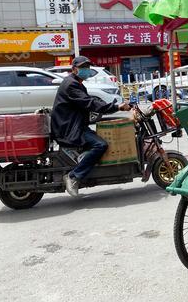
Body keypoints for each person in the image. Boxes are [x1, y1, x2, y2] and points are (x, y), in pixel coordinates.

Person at [51, 56, 131, 197]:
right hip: (69, 129)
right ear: (74, 69)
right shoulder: (71, 84)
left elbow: (88, 103)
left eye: (88, 67)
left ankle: (83, 160)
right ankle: (73, 176)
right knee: (101, 145)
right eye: (83, 68)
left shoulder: (76, 82)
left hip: (74, 124)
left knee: (96, 139)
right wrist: (116, 107)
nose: (87, 70)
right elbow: (89, 103)